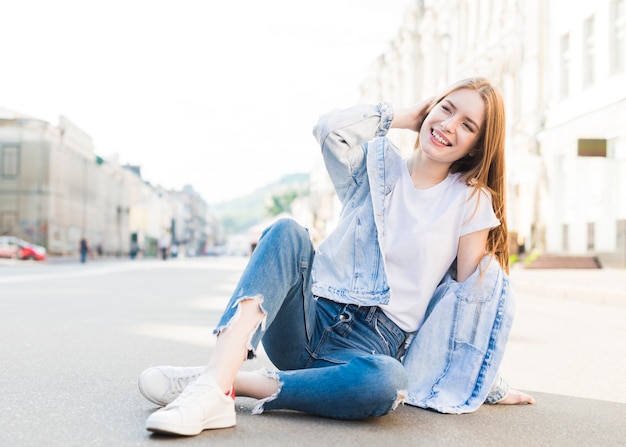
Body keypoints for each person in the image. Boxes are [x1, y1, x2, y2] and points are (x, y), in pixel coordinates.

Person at [138, 77, 535, 436]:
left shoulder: (469, 200)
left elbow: (465, 304)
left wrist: (486, 382)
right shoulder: (376, 164)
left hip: (366, 348)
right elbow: (328, 130)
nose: (449, 125)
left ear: (478, 146)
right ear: (429, 108)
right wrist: (401, 115)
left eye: (468, 125)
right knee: (287, 231)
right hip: (308, 318)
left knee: (387, 383)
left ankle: (222, 381)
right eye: (446, 108)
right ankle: (213, 386)